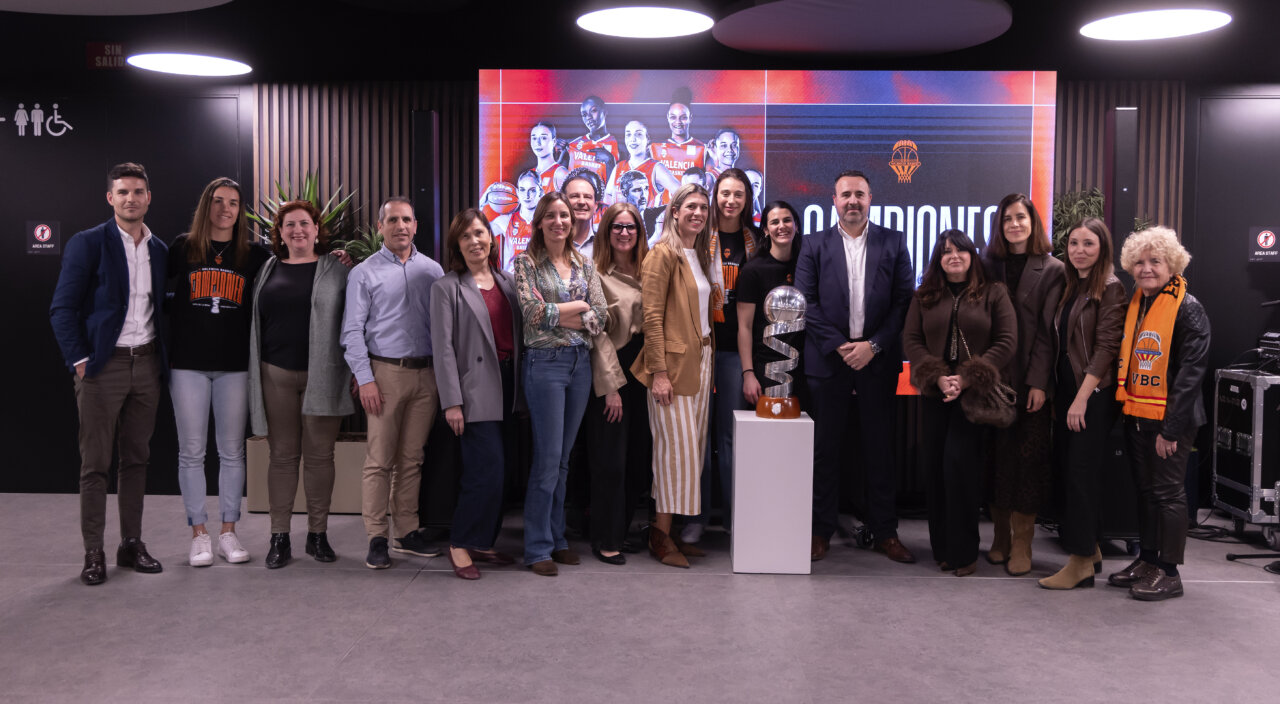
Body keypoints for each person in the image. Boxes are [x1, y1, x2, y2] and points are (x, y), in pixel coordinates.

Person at [50, 162, 168, 585]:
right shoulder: (88, 243)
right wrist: (81, 361)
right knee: (95, 464)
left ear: (148, 197)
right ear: (110, 198)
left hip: (148, 363)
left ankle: (130, 544)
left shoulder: (159, 249)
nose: (131, 199)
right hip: (103, 367)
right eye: (123, 192)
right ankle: (94, 552)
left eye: (138, 192)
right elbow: (62, 308)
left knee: (136, 460)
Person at [795, 170, 916, 563]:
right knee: (824, 452)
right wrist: (842, 346)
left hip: (877, 364)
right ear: (833, 200)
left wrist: (874, 346)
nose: (852, 201)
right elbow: (805, 303)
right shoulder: (813, 245)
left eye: (859, 194)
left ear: (870, 199)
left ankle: (886, 532)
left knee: (879, 451)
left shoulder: (894, 243)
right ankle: (819, 530)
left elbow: (903, 303)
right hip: (828, 362)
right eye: (845, 194)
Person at [167, 177, 270, 567]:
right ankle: (199, 534)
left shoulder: (254, 255)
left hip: (234, 367)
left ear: (240, 210)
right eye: (218, 201)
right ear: (205, 205)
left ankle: (228, 532)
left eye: (233, 202)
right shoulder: (182, 248)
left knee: (231, 452)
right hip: (188, 366)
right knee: (191, 452)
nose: (225, 209)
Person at [903, 229, 1017, 576]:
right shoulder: (924, 295)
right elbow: (911, 339)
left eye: (961, 251)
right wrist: (937, 376)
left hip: (974, 396)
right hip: (936, 393)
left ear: (972, 255)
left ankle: (965, 552)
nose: (953, 257)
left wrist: (967, 378)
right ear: (938, 259)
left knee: (961, 470)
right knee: (936, 470)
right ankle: (942, 549)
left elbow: (1007, 340)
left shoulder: (993, 292)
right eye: (946, 252)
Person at [341, 196, 446, 570]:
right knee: (379, 460)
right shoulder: (364, 273)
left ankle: (406, 532)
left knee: (412, 459)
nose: (400, 226)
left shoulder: (433, 271)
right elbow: (352, 332)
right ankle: (376, 537)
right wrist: (364, 379)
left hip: (427, 375)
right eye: (393, 220)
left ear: (416, 225)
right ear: (381, 226)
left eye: (407, 220)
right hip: (384, 375)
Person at [248, 200, 353, 569]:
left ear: (316, 229)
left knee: (321, 457)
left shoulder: (337, 270)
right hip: (274, 373)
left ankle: (317, 534)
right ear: (279, 232)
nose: (298, 230)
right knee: (282, 457)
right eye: (289, 225)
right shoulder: (267, 269)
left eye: (304, 224)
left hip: (322, 375)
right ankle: (279, 537)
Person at [1107, 227, 1210, 601]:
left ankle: (1169, 572)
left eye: (1155, 261)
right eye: (1140, 262)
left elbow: (1190, 376)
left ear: (1173, 264)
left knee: (1168, 493)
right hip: (1138, 413)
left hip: (1172, 420)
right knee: (1147, 492)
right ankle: (1147, 560)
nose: (1146, 269)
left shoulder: (1188, 307)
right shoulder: (1140, 301)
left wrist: (1170, 429)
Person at [513, 192, 607, 576]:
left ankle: (557, 539)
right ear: (539, 222)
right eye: (550, 215)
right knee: (548, 459)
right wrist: (580, 308)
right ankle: (537, 549)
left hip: (580, 366)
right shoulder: (526, 263)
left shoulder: (585, 264)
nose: (559, 221)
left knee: (564, 460)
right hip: (545, 366)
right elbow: (533, 314)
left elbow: (602, 318)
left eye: (564, 215)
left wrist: (572, 314)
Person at [431, 208, 523, 580]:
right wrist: (452, 402)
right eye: (466, 236)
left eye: (479, 233)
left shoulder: (509, 282)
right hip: (474, 390)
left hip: (511, 386)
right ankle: (459, 542)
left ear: (491, 238)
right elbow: (443, 349)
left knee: (504, 473)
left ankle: (482, 540)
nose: (474, 241)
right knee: (485, 471)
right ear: (457, 244)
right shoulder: (446, 287)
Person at [630, 183, 718, 568]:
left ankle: (673, 531)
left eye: (703, 207)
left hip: (700, 362)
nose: (698, 213)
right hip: (671, 368)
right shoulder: (661, 254)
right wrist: (659, 373)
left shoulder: (698, 253)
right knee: (673, 453)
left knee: (692, 452)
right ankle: (660, 535)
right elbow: (651, 317)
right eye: (691, 207)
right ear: (675, 211)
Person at [1039, 217, 1127, 589]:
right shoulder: (1071, 285)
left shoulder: (1111, 287)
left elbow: (1106, 348)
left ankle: (1078, 563)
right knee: (1073, 474)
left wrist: (1081, 398)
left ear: (1103, 248)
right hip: (1068, 393)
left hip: (1092, 395)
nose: (1079, 250)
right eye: (1074, 243)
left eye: (1088, 243)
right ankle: (1090, 552)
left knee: (1080, 477)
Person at [982, 193, 1065, 576]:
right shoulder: (985, 265)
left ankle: (1022, 543)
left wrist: (1039, 383)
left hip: (1029, 382)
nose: (1014, 224)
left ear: (1033, 222)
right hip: (991, 382)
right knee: (995, 461)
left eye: (1021, 217)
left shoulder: (1052, 270)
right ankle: (999, 538)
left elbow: (1050, 335)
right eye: (1007, 219)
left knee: (1027, 465)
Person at [683, 167, 760, 544]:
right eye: (725, 193)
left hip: (734, 351)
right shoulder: (698, 238)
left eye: (739, 195)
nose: (731, 201)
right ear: (716, 196)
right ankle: (695, 518)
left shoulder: (756, 241)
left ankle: (734, 518)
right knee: (697, 435)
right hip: (700, 347)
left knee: (730, 439)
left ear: (747, 200)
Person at [586, 203, 652, 565]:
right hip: (613, 369)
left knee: (637, 459)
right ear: (606, 232)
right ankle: (605, 537)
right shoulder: (594, 274)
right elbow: (597, 336)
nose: (624, 233)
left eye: (631, 227)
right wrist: (611, 387)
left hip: (647, 370)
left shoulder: (649, 271)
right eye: (617, 227)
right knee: (610, 460)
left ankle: (621, 531)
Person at [738, 200, 805, 406]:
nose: (782, 226)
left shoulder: (808, 265)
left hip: (805, 369)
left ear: (796, 225)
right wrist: (748, 373)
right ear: (766, 230)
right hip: (766, 368)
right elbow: (745, 327)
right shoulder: (752, 271)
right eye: (774, 222)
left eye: (787, 220)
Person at [605, 120, 680, 207]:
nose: (632, 139)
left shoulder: (656, 168)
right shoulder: (619, 167)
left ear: (648, 139)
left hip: (645, 220)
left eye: (639, 134)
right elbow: (607, 196)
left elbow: (682, 193)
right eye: (628, 134)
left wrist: (665, 214)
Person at [650, 95, 707, 182]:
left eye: (683, 117)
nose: (678, 122)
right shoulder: (655, 149)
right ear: (667, 117)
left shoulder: (703, 149)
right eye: (673, 117)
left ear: (690, 118)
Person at [564, 95, 619, 184]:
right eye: (584, 114)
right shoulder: (572, 144)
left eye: (593, 111)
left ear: (604, 112)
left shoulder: (619, 145)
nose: (588, 117)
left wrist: (610, 162)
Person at [499, 170, 540, 271]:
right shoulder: (507, 220)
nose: (527, 195)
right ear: (517, 192)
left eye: (532, 190)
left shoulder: (547, 223)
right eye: (522, 189)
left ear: (541, 192)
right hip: (511, 282)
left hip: (537, 283)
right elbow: (476, 228)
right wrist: (483, 202)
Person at [564, 168, 602, 258]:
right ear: (563, 201)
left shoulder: (608, 245)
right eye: (575, 196)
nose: (581, 202)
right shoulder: (546, 244)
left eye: (587, 197)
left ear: (596, 205)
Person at [530, 121, 567, 195]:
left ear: (554, 142)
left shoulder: (560, 173)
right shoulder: (529, 174)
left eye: (543, 138)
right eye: (534, 138)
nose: (538, 143)